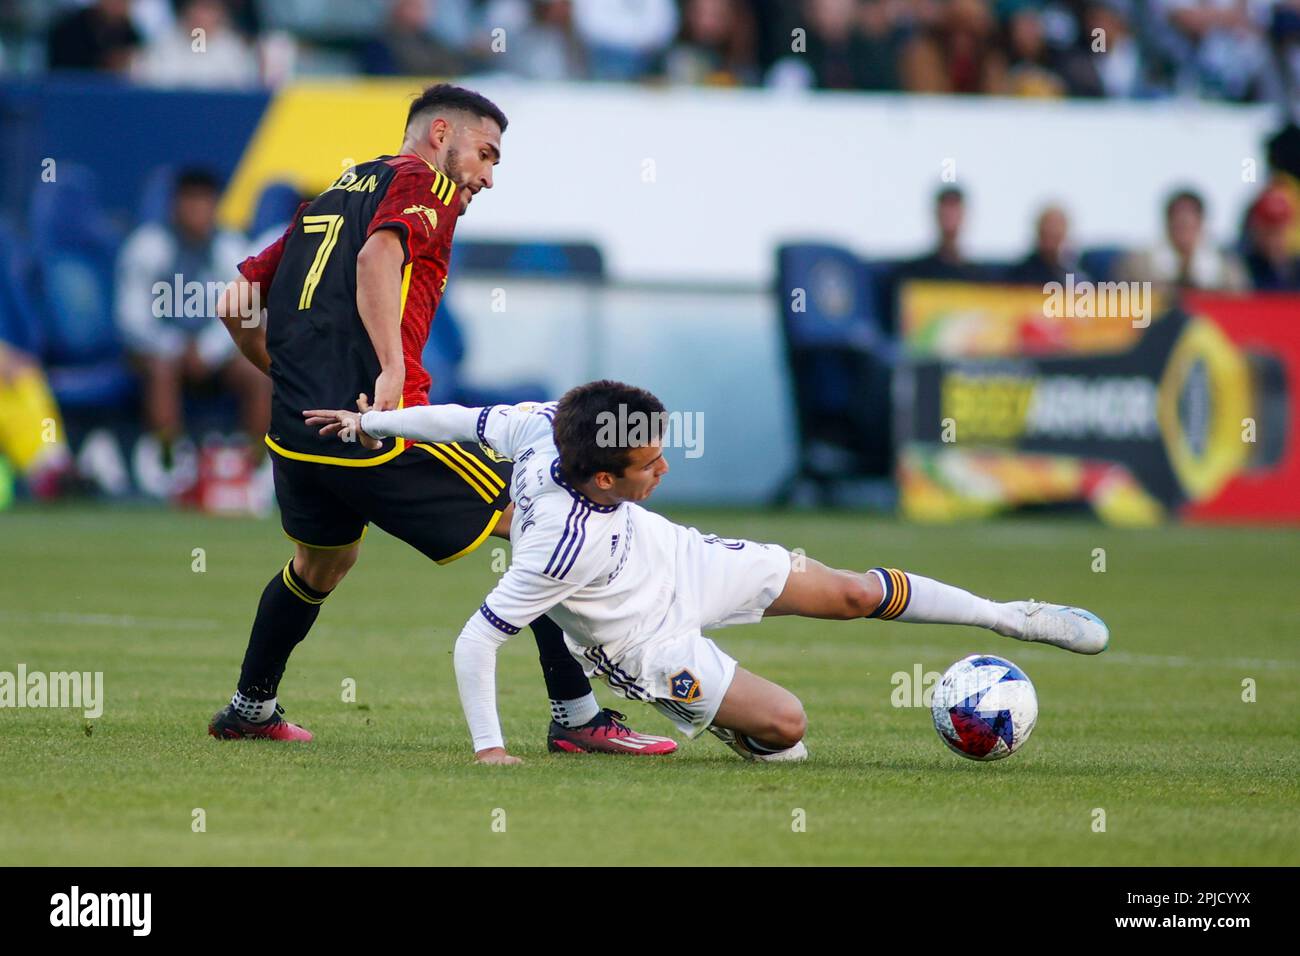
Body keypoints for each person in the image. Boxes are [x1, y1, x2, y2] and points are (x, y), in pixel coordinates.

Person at [207, 84, 673, 755]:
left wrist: (287, 380)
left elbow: (235, 301)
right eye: (485, 154)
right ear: (439, 133)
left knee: (322, 563)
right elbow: (378, 258)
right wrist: (391, 371)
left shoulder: (332, 197)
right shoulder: (423, 182)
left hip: (300, 433)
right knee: (547, 516)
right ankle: (577, 717)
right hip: (377, 426)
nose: (486, 176)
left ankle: (251, 707)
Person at [304, 380, 1110, 765]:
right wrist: (489, 750)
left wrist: (370, 421)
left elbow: (457, 420)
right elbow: (475, 645)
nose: (665, 466)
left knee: (855, 591)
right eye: (650, 462)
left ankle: (1011, 616)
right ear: (605, 482)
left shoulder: (542, 425)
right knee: (787, 729)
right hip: (644, 642)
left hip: (678, 559)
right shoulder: (558, 546)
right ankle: (731, 720)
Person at [115, 167, 268, 469]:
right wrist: (174, 346)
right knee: (161, 368)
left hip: (213, 353)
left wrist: (208, 350)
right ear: (175, 206)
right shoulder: (146, 247)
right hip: (158, 352)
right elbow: (131, 318)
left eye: (205, 202)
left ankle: (256, 467)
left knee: (258, 373)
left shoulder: (231, 247)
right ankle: (170, 461)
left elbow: (243, 312)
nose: (198, 210)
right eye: (191, 202)